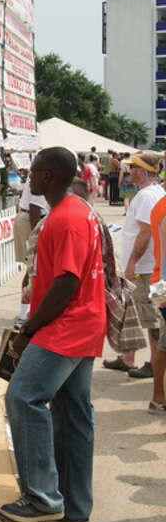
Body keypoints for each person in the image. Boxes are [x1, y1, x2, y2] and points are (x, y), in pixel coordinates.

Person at [0, 147, 106, 522]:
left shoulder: (68, 218)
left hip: (67, 327)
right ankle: (76, 507)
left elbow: (66, 282)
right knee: (73, 414)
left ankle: (43, 497)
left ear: (47, 176)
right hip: (82, 325)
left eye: (33, 172)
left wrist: (28, 330)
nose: (28, 177)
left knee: (23, 398)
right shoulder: (74, 212)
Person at [104, 152, 164, 377]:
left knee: (151, 318)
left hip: (145, 268)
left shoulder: (146, 196)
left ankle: (154, 363)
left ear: (143, 171)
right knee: (135, 311)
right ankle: (129, 358)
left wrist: (132, 263)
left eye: (134, 168)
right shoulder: (152, 193)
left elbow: (145, 232)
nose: (130, 172)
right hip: (148, 265)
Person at [148, 193, 166, 413]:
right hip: (163, 283)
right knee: (163, 343)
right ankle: (158, 396)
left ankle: (158, 395)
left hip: (161, 282)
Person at [13, 166, 49, 264]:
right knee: (34, 264)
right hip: (30, 220)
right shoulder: (42, 179)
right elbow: (35, 207)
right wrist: (36, 237)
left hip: (27, 217)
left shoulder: (39, 175)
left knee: (31, 265)